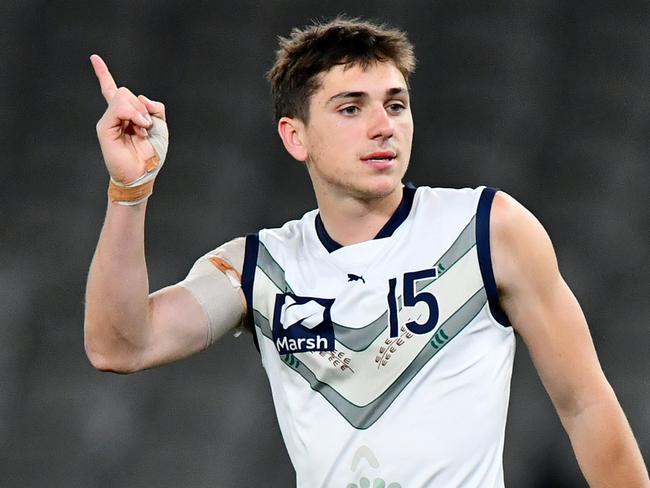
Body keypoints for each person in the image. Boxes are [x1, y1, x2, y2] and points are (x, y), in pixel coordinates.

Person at [84, 17, 649, 488]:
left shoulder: (487, 228)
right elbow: (120, 346)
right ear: (294, 136)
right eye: (351, 108)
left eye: (396, 105)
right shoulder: (258, 268)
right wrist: (130, 192)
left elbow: (586, 404)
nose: (383, 126)